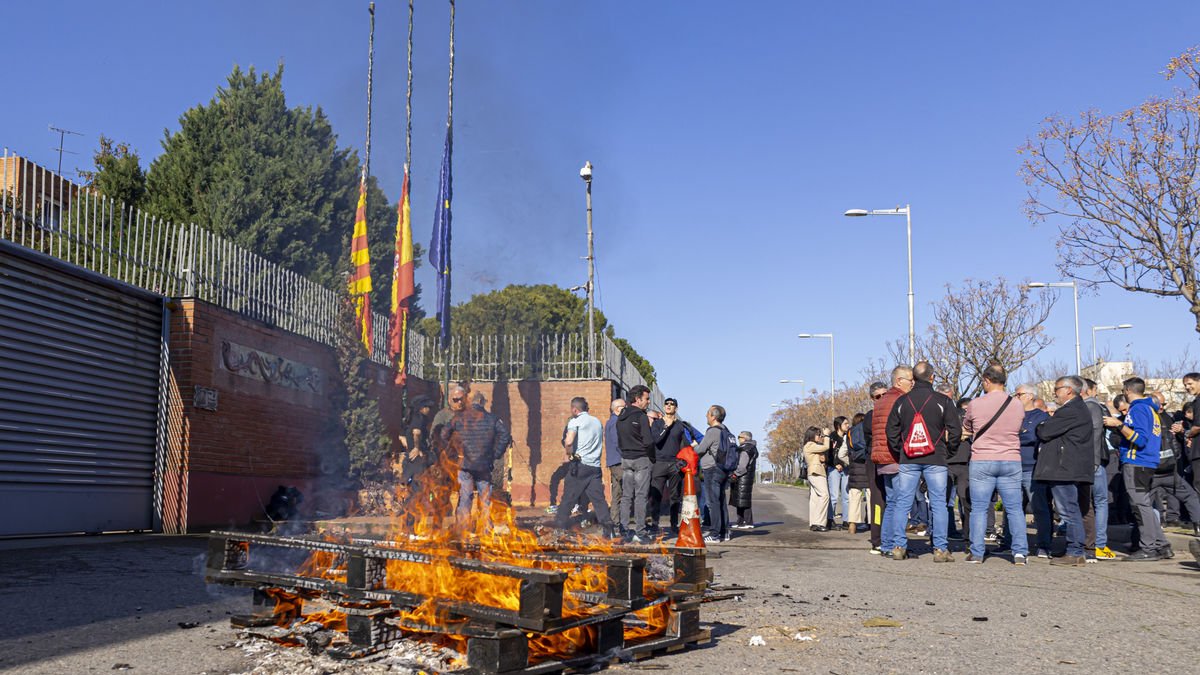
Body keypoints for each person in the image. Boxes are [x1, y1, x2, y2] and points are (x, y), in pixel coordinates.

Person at [885, 361, 960, 562]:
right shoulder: (942, 401)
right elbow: (956, 430)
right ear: (932, 377)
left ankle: (899, 546)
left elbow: (890, 431)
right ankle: (940, 549)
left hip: (908, 459)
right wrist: (949, 451)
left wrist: (900, 450)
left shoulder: (902, 402)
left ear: (914, 378)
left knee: (903, 502)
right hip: (936, 458)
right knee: (938, 504)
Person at [962, 364, 1026, 564]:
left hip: (982, 459)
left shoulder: (975, 404)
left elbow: (967, 428)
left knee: (979, 508)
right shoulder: (1017, 404)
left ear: (987, 380)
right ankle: (1020, 553)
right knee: (1015, 509)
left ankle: (977, 553)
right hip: (1011, 459)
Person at [1030, 376, 1093, 566]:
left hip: (1064, 468)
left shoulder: (1070, 410)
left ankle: (1075, 551)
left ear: (1069, 390)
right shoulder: (1075, 409)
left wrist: (1042, 425)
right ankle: (1074, 549)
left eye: (1057, 389)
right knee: (1073, 510)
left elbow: (1044, 431)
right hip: (1070, 467)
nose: (1054, 393)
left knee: (1069, 511)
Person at [1105, 377, 1170, 560]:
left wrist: (1119, 425)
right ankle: (1161, 545)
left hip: (1137, 461)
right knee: (1145, 505)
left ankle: (1148, 548)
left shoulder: (1138, 408)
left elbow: (1139, 439)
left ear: (1127, 390)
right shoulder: (1150, 408)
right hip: (1146, 462)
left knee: (1140, 507)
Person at [446, 392, 512, 521]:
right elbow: (505, 435)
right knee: (485, 498)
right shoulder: (492, 418)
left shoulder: (460, 418)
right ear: (483, 403)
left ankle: (463, 530)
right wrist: (496, 454)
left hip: (465, 463)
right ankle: (485, 530)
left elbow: (444, 433)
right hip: (484, 464)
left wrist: (454, 451)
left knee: (465, 496)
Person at [554, 397, 612, 535]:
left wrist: (569, 455)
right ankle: (609, 531)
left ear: (575, 409)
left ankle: (559, 528)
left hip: (579, 466)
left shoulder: (575, 421)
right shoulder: (597, 422)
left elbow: (568, 442)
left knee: (568, 498)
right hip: (595, 468)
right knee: (599, 500)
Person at [1148, 392, 1200, 536]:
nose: (1162, 407)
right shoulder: (1157, 418)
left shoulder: (1163, 418)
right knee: (1151, 502)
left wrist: (1181, 433)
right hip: (1162, 468)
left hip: (1163, 468)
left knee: (1146, 502)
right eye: (1161, 404)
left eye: (1164, 404)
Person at [872, 370, 912, 554]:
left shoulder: (881, 402)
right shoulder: (900, 400)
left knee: (892, 502)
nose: (912, 383)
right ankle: (896, 543)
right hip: (895, 457)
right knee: (900, 503)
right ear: (898, 380)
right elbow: (899, 430)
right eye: (910, 380)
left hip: (882, 458)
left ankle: (886, 544)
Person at [1016, 383, 1053, 558]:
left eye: (1019, 395)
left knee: (1039, 508)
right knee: (1013, 508)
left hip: (1032, 467)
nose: (1016, 398)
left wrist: (1018, 434)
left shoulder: (1041, 416)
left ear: (1030, 396)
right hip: (1012, 466)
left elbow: (1033, 436)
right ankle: (1011, 542)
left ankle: (1044, 544)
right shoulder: (1012, 414)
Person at [616, 385, 656, 543]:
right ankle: (640, 531)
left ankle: (624, 529)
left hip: (626, 459)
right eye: (646, 399)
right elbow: (648, 441)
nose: (648, 402)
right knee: (640, 496)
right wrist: (652, 458)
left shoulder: (621, 416)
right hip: (641, 459)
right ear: (638, 399)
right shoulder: (641, 416)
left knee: (626, 496)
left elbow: (619, 440)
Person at [1082, 379, 1116, 561]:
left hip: (1090, 461)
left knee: (1090, 502)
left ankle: (1094, 542)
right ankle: (1099, 544)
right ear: (1091, 389)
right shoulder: (1099, 407)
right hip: (1098, 460)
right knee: (1099, 501)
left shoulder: (1087, 406)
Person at [695, 404, 736, 543]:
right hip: (723, 469)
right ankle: (725, 532)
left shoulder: (712, 431)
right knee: (721, 501)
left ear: (713, 416)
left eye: (708, 413)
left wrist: (694, 447)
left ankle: (714, 534)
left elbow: (701, 449)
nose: (706, 416)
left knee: (712, 502)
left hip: (712, 469)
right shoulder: (726, 431)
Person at [650, 397, 686, 534]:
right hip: (659, 463)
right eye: (667, 404)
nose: (669, 406)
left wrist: (683, 461)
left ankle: (674, 525)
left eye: (672, 404)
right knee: (656, 495)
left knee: (675, 496)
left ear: (676, 408)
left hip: (674, 465)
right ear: (664, 407)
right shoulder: (657, 424)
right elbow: (656, 440)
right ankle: (654, 524)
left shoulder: (680, 425)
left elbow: (685, 445)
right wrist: (666, 426)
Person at [802, 425, 831, 532]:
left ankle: (814, 523)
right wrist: (827, 436)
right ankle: (820, 523)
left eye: (820, 435)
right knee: (824, 496)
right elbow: (826, 447)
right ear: (812, 435)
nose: (820, 437)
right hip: (817, 472)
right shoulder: (810, 445)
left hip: (814, 472)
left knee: (815, 499)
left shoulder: (810, 445)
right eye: (818, 435)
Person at [846, 411, 871, 534]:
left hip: (855, 468)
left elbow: (844, 452)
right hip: (868, 466)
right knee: (871, 496)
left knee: (854, 498)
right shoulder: (868, 430)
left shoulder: (850, 432)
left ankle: (852, 525)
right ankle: (873, 524)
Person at [729, 431, 759, 529]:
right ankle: (740, 521)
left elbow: (742, 466)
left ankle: (748, 522)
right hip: (744, 478)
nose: (738, 439)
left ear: (745, 438)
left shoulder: (746, 449)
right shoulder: (749, 448)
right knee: (740, 500)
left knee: (744, 501)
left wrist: (735, 474)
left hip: (743, 477)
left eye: (739, 437)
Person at [826, 416, 851, 529]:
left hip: (846, 469)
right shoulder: (832, 437)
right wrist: (835, 464)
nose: (848, 425)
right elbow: (829, 454)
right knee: (834, 495)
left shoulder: (848, 436)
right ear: (838, 426)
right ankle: (830, 519)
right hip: (833, 469)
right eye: (845, 424)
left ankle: (846, 520)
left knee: (846, 496)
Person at [604, 398, 626, 529]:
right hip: (619, 461)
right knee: (625, 492)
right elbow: (617, 441)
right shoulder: (616, 422)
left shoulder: (611, 421)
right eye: (624, 407)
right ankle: (620, 522)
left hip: (614, 461)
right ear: (618, 409)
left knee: (617, 493)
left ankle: (615, 521)